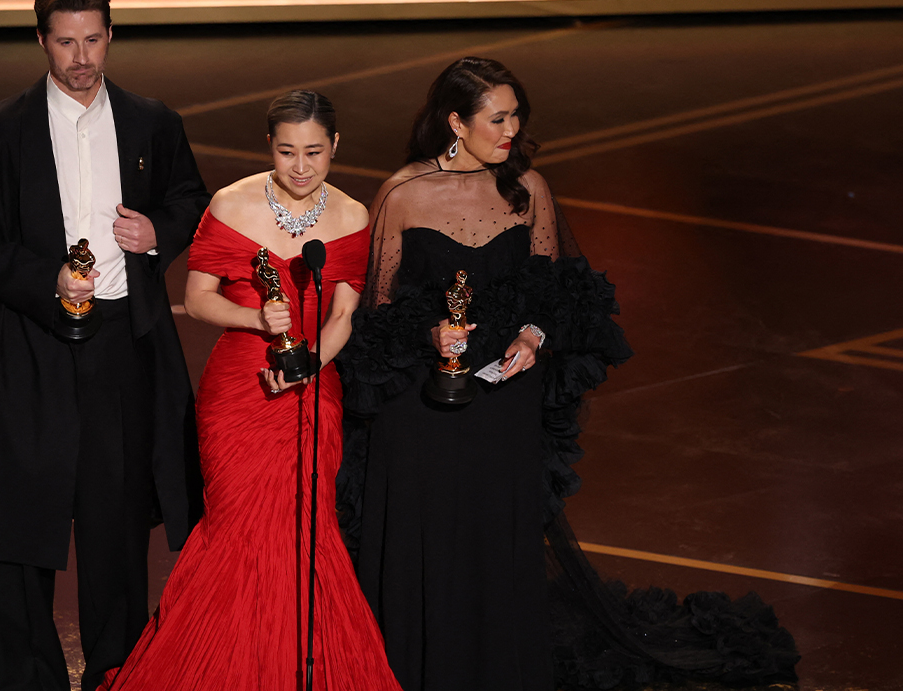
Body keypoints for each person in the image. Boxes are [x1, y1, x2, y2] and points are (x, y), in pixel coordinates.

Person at [337, 58, 799, 691]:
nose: (510, 130)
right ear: (454, 122)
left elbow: (553, 292)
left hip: (502, 395)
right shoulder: (402, 194)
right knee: (429, 540)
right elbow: (378, 307)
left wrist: (534, 336)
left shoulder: (529, 188)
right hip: (422, 401)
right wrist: (428, 334)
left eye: (516, 116)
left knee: (498, 538)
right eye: (496, 118)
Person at [0, 0, 210, 691]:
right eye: (66, 41)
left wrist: (158, 233)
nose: (81, 56)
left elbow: (190, 197)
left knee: (115, 527)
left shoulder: (152, 120)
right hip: (32, 345)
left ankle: (116, 674)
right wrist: (44, 282)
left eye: (93, 39)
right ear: (40, 41)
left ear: (110, 37)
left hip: (123, 346)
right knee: (21, 527)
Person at [100, 91, 402, 690]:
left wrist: (311, 364)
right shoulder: (230, 204)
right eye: (287, 151)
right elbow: (198, 297)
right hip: (239, 390)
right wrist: (256, 321)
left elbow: (344, 317)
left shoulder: (353, 217)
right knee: (238, 528)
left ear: (335, 147)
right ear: (270, 147)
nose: (300, 166)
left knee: (304, 530)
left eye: (314, 152)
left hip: (313, 386)